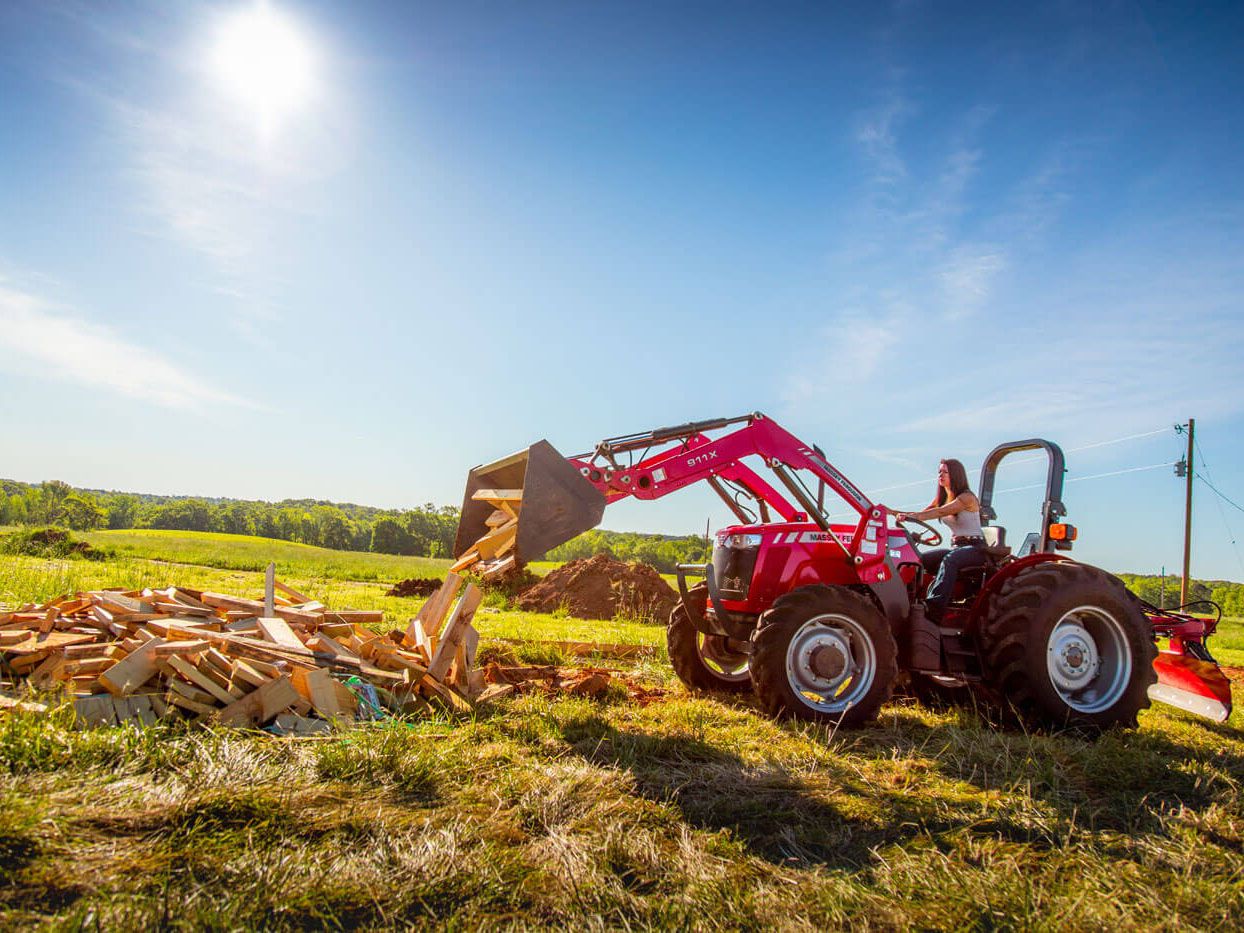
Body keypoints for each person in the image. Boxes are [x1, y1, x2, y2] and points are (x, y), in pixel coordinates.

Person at [895, 458, 987, 623]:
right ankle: (908, 601)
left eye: (945, 472)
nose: (941, 475)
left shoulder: (966, 498)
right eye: (939, 472)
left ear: (956, 475)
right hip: (957, 547)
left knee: (950, 560)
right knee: (920, 560)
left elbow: (938, 512)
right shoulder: (943, 498)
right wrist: (890, 512)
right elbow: (920, 515)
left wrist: (909, 517)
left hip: (976, 548)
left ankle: (934, 609)